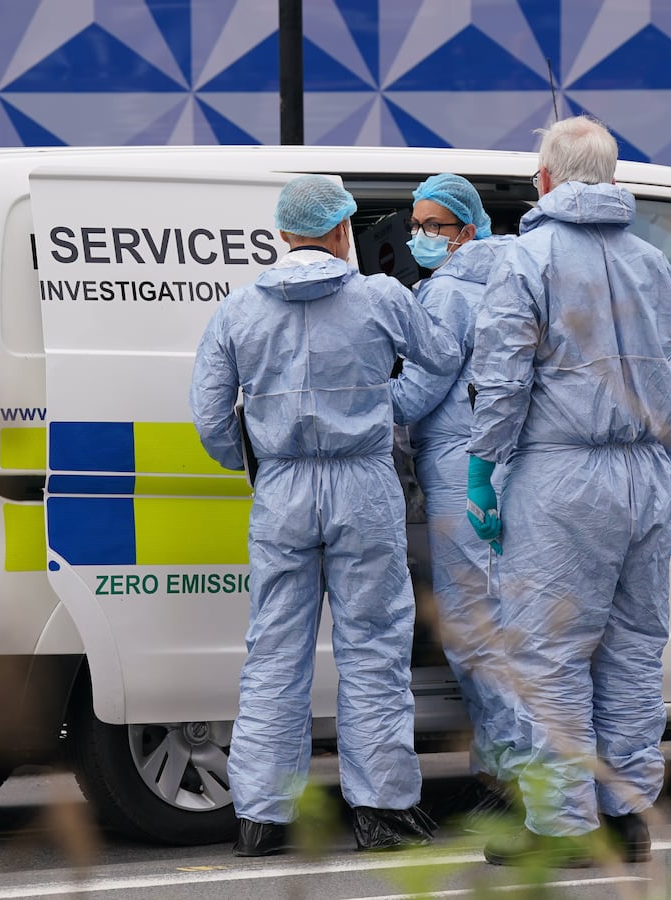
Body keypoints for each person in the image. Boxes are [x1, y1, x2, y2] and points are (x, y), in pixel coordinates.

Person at [190, 174, 462, 857]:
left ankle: (260, 817)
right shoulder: (381, 297)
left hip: (282, 490)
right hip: (362, 485)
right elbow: (445, 357)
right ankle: (383, 811)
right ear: (344, 230)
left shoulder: (238, 309)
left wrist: (256, 463)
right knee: (372, 648)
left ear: (282, 233)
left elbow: (208, 415)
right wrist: (390, 408)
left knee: (274, 652)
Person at [466, 116, 671, 867]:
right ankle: (628, 815)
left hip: (561, 476)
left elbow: (502, 377)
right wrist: (669, 444)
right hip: (647, 474)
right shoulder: (654, 262)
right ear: (613, 177)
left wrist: (482, 469)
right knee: (633, 649)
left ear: (547, 180)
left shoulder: (527, 258)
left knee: (549, 649)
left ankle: (560, 827)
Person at [389, 174, 520, 817]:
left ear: (467, 228)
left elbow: (420, 388)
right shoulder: (513, 276)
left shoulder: (445, 295)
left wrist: (352, 404)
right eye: (414, 225)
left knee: (473, 630)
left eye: (433, 226)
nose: (419, 236)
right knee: (509, 623)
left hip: (459, 467)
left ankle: (509, 779)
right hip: (505, 468)